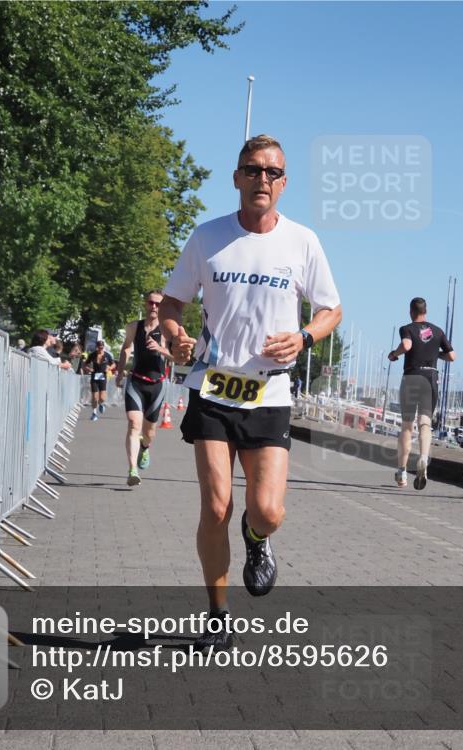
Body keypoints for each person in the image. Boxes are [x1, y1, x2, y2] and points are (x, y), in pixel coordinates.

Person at [159, 134, 342, 652]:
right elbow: (172, 304)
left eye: (272, 172)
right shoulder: (207, 237)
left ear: (283, 184)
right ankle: (217, 618)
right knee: (215, 507)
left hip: (269, 395)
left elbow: (331, 309)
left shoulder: (302, 242)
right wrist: (176, 338)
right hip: (212, 388)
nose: (262, 179)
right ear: (236, 177)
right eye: (252, 169)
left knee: (267, 512)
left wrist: (305, 336)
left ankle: (257, 540)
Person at [388, 297, 455, 490]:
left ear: (411, 311)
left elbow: (407, 346)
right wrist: (436, 355)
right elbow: (452, 356)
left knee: (407, 426)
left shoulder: (407, 328)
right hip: (430, 378)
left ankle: (401, 472)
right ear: (426, 311)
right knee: (425, 423)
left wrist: (394, 354)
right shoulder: (437, 330)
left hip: (412, 377)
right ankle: (423, 459)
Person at [116, 291, 173, 487]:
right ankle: (132, 469)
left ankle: (145, 446)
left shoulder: (167, 330)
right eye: (151, 303)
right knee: (133, 424)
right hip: (136, 381)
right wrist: (120, 371)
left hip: (157, 385)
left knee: (150, 432)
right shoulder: (134, 326)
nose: (154, 307)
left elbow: (179, 358)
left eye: (158, 304)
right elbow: (126, 348)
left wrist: (161, 349)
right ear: (146, 304)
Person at [82, 340, 115, 421]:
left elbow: (113, 364)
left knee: (102, 398)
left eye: (102, 347)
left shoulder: (107, 355)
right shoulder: (92, 355)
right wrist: (89, 369)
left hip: (103, 377)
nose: (101, 349)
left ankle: (101, 404)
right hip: (94, 377)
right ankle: (94, 413)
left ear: (103, 347)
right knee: (94, 397)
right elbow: (85, 364)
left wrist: (109, 368)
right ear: (97, 347)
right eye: (99, 347)